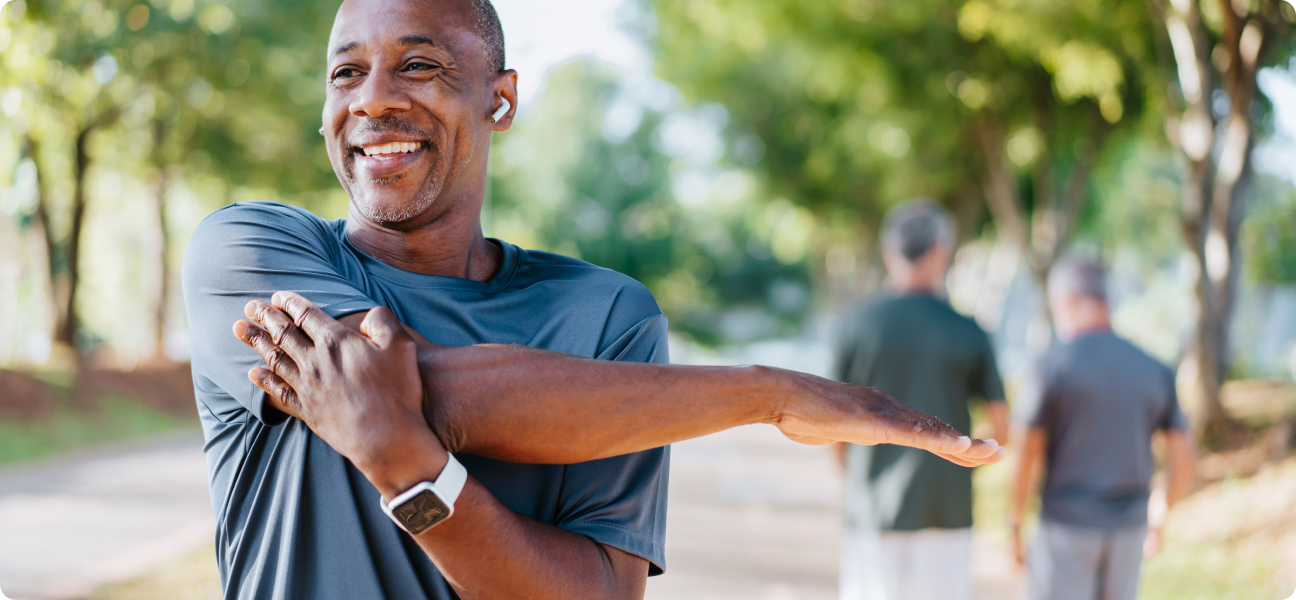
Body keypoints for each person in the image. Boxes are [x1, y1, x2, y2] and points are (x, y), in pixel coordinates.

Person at [182, 1, 1003, 598]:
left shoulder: (606, 317)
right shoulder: (249, 251)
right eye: (345, 73)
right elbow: (411, 388)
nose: (371, 99)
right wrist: (767, 394)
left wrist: (416, 476)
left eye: (419, 65)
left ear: (500, 99)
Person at [832, 199, 1009, 600]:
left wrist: (854, 472)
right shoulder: (969, 330)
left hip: (872, 510)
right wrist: (962, 461)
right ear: (940, 251)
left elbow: (829, 426)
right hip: (947, 508)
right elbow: (1001, 427)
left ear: (888, 252)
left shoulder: (855, 326)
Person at [1009, 257, 1196, 600]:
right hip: (1129, 530)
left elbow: (1025, 452)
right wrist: (1159, 516)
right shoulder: (1153, 369)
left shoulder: (1051, 366)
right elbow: (1184, 460)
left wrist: (1015, 523)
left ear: (1067, 301)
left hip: (1066, 529)